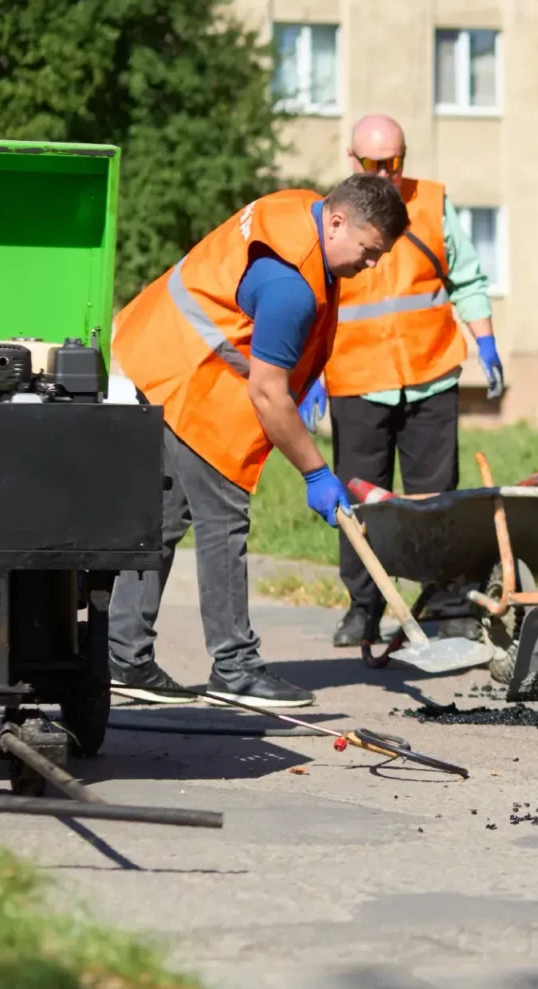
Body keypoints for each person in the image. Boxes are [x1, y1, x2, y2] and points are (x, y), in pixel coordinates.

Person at [108, 175, 409, 707]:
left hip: (155, 347)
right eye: (369, 252)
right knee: (223, 519)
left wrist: (306, 372)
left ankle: (122, 657)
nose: (372, 266)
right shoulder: (290, 287)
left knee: (162, 516)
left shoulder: (298, 207)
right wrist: (317, 472)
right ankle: (235, 668)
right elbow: (269, 395)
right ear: (337, 221)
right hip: (196, 382)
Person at [296, 115, 503, 649]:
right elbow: (311, 299)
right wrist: (309, 372)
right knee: (360, 504)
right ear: (353, 160)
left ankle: (448, 605)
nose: (386, 173)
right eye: (373, 164)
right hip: (357, 380)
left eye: (394, 162)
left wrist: (485, 340)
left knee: (436, 499)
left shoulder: (431, 204)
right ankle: (363, 608)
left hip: (429, 374)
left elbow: (469, 277)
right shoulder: (333, 217)